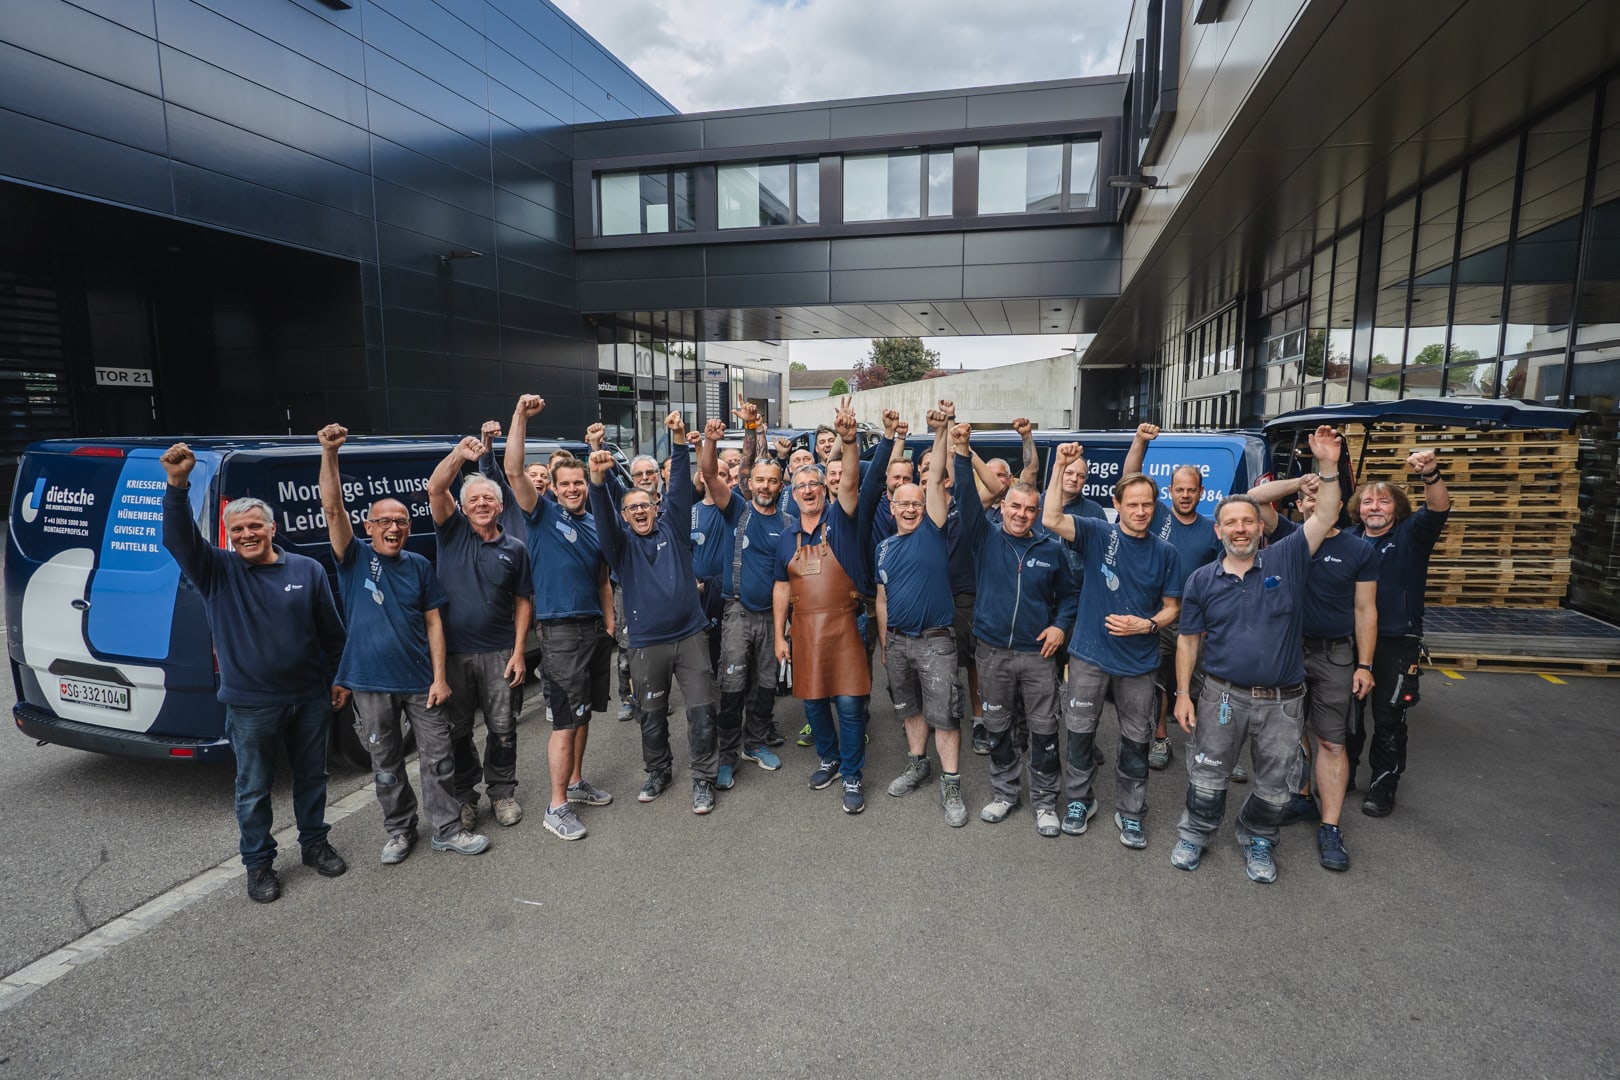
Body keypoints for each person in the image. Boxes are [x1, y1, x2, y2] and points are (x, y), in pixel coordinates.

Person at [160, 444, 348, 903]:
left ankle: (314, 844)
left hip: (309, 697)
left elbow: (332, 633)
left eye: (255, 526)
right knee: (254, 789)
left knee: (312, 777)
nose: (247, 534)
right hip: (251, 705)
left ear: (271, 529)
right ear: (229, 535)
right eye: (238, 529)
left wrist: (339, 678)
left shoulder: (307, 570)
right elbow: (179, 540)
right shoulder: (216, 570)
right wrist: (177, 485)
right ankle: (259, 863)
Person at [1169, 425, 1343, 882]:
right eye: (1231, 522)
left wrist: (1327, 465)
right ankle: (1195, 833)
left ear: (1260, 526)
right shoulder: (1201, 580)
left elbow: (1326, 514)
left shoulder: (1287, 557)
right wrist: (1183, 694)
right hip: (1222, 697)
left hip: (1282, 702)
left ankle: (1258, 838)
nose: (1240, 528)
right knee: (1207, 776)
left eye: (1248, 521)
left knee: (1275, 784)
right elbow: (1188, 639)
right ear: (1218, 530)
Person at [317, 423, 488, 862]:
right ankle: (399, 830)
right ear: (368, 526)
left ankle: (447, 828)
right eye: (384, 522)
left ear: (409, 528)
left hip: (421, 683)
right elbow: (333, 509)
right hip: (371, 684)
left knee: (439, 758)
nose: (393, 528)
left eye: (401, 522)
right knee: (386, 764)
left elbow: (434, 624)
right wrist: (330, 453)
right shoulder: (354, 558)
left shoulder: (418, 566)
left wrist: (439, 678)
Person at [1040, 446, 1182, 849]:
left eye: (1147, 504)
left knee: (1136, 739)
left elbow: (1173, 608)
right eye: (1132, 504)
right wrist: (1060, 467)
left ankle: (1131, 811)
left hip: (1139, 661)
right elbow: (1051, 518)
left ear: (1155, 506)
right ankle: (1080, 801)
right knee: (1080, 732)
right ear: (1116, 505)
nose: (1140, 511)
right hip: (1089, 655)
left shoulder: (1166, 552)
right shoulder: (1098, 533)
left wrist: (1147, 624)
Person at [588, 415, 722, 814]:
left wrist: (678, 440)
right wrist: (596, 478)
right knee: (651, 715)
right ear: (625, 516)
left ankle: (703, 778)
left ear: (655, 506)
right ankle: (658, 771)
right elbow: (602, 513)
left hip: (691, 635)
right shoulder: (620, 547)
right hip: (646, 644)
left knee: (702, 711)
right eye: (631, 508)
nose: (639, 511)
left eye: (644, 505)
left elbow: (679, 486)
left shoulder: (674, 530)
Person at [1249, 472, 1378, 870]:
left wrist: (1365, 664)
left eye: (1323, 499)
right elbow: (1254, 496)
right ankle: (1303, 797)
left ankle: (1331, 826)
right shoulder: (1289, 537)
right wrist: (1299, 483)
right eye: (1309, 499)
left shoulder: (1358, 550)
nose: (1314, 503)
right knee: (1292, 732)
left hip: (1333, 654)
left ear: (1338, 506)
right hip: (1288, 650)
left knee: (1332, 741)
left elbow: (1365, 609)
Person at [952, 425, 1077, 832]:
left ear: (1037, 513)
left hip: (1038, 655)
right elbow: (965, 497)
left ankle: (1045, 802)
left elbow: (1070, 596)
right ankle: (1005, 793)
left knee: (1044, 730)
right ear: (1002, 507)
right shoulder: (983, 538)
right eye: (1015, 507)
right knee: (998, 727)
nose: (1022, 514)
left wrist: (1059, 627)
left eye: (1030, 509)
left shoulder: (1051, 549)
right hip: (992, 653)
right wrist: (961, 451)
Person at [504, 395, 615, 842]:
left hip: (593, 629)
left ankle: (576, 782)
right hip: (560, 630)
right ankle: (556, 806)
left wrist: (610, 622)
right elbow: (514, 470)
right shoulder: (541, 514)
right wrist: (519, 417)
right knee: (565, 719)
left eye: (578, 483)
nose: (572, 489)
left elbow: (603, 578)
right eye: (565, 483)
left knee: (583, 714)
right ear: (552, 485)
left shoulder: (594, 522)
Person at [427, 436, 534, 831]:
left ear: (501, 506)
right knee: (457, 731)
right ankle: (465, 796)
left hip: (499, 651)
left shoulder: (515, 549)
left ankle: (502, 791)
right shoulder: (451, 532)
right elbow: (436, 488)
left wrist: (519, 651)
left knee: (503, 727)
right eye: (474, 500)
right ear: (464, 507)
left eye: (489, 499)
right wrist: (460, 454)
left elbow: (523, 601)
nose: (482, 504)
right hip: (454, 654)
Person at [774, 398, 871, 813]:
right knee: (813, 703)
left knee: (849, 704)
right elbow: (781, 587)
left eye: (814, 484)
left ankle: (852, 772)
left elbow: (849, 482)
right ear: (793, 495)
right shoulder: (786, 537)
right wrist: (779, 635)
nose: (809, 491)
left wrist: (849, 441)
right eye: (801, 487)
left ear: (822, 489)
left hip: (844, 625)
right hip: (804, 630)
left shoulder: (842, 520)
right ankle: (828, 759)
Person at [1346, 447, 1451, 817]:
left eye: (1384, 501)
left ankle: (1383, 784)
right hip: (1348, 640)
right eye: (1368, 501)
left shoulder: (1411, 535)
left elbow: (1438, 508)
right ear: (1358, 508)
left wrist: (1430, 473)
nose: (1374, 507)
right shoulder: (1348, 539)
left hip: (1396, 641)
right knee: (1347, 715)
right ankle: (1343, 774)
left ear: (1397, 508)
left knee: (1389, 716)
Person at [876, 402, 967, 827]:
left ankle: (951, 782)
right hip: (897, 642)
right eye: (903, 504)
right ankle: (918, 764)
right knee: (909, 709)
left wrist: (942, 429)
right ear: (891, 506)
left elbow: (934, 476)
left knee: (944, 714)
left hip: (936, 641)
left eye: (917, 502)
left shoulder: (934, 528)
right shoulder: (883, 548)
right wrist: (884, 644)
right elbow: (881, 599)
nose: (911, 508)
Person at [1122, 423, 1224, 772]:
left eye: (1191, 490)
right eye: (1179, 489)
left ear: (1201, 492)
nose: (1185, 495)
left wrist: (1213, 618)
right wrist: (1140, 440)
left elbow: (1221, 578)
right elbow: (1131, 476)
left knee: (1207, 687)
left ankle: (1211, 746)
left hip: (1198, 622)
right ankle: (1161, 739)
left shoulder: (1212, 529)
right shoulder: (1158, 517)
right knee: (1159, 682)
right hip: (1159, 616)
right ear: (1170, 491)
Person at [710, 403, 794, 788]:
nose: (765, 486)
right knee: (731, 686)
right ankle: (726, 754)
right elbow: (710, 473)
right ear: (750, 483)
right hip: (738, 613)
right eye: (759, 480)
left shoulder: (789, 524)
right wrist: (748, 427)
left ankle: (755, 742)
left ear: (780, 486)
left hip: (773, 618)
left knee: (765, 685)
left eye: (772, 481)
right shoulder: (737, 510)